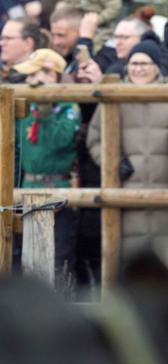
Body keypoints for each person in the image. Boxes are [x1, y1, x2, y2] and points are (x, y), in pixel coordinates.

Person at [86, 38, 168, 260]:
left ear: (156, 67)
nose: (138, 69)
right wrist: (112, 162)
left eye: (144, 64)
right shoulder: (115, 96)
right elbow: (94, 139)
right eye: (133, 64)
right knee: (130, 262)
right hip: (126, 195)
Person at [13, 48, 81, 291]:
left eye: (34, 76)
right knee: (28, 262)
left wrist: (44, 109)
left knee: (58, 262)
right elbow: (19, 150)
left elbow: (59, 142)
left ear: (51, 75)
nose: (29, 82)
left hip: (59, 191)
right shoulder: (26, 107)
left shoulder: (68, 108)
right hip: (28, 190)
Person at [0, 17, 47, 82]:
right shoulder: (3, 72)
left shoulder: (47, 76)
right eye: (2, 38)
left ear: (28, 43)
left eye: (8, 38)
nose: (1, 43)